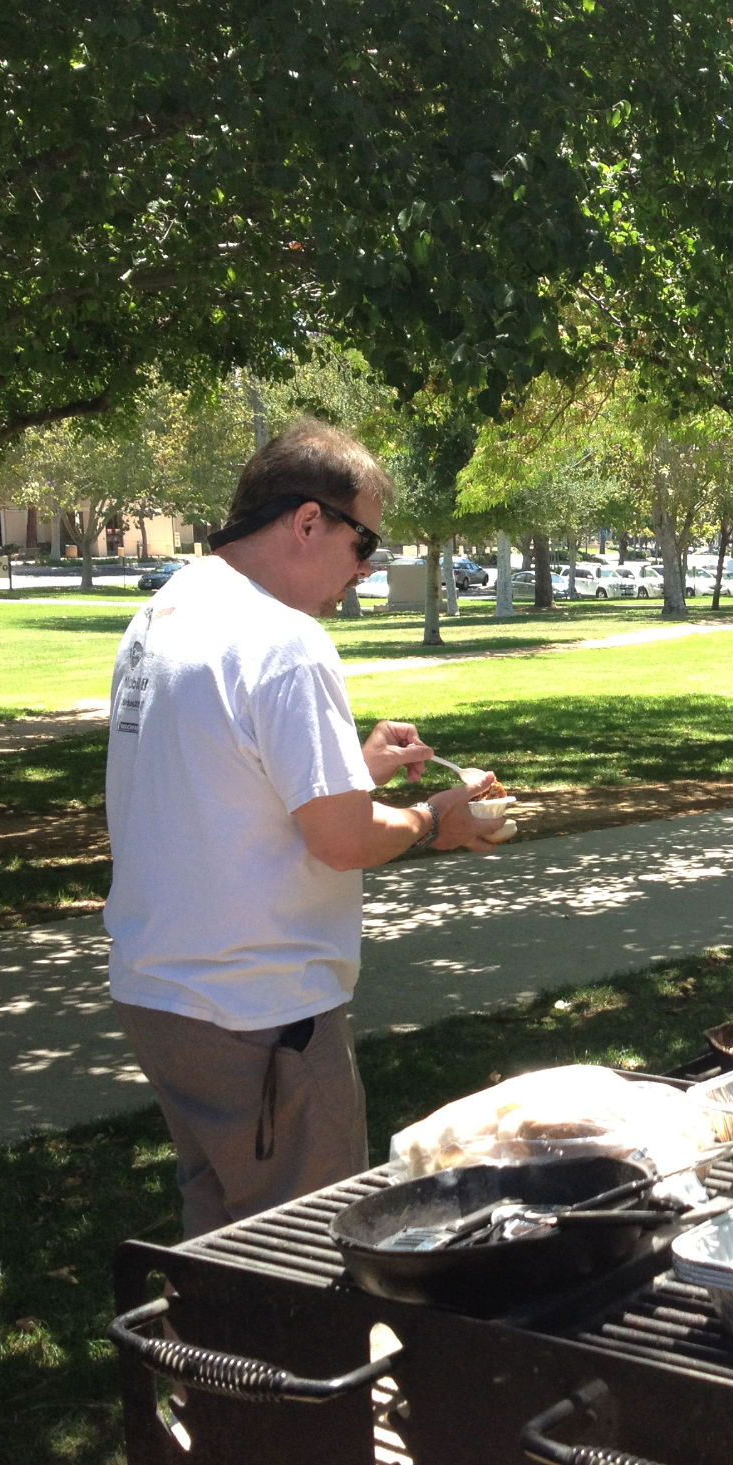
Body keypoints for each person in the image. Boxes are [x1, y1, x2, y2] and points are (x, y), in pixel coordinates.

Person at [105, 417, 507, 1238]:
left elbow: (222, 787)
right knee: (304, 1253)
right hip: (261, 1012)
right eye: (365, 545)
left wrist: (352, 768)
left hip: (162, 998)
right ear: (309, 521)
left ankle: (208, 1333)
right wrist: (435, 818)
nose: (364, 572)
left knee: (216, 1238)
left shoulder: (165, 613)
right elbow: (342, 841)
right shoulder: (285, 639)